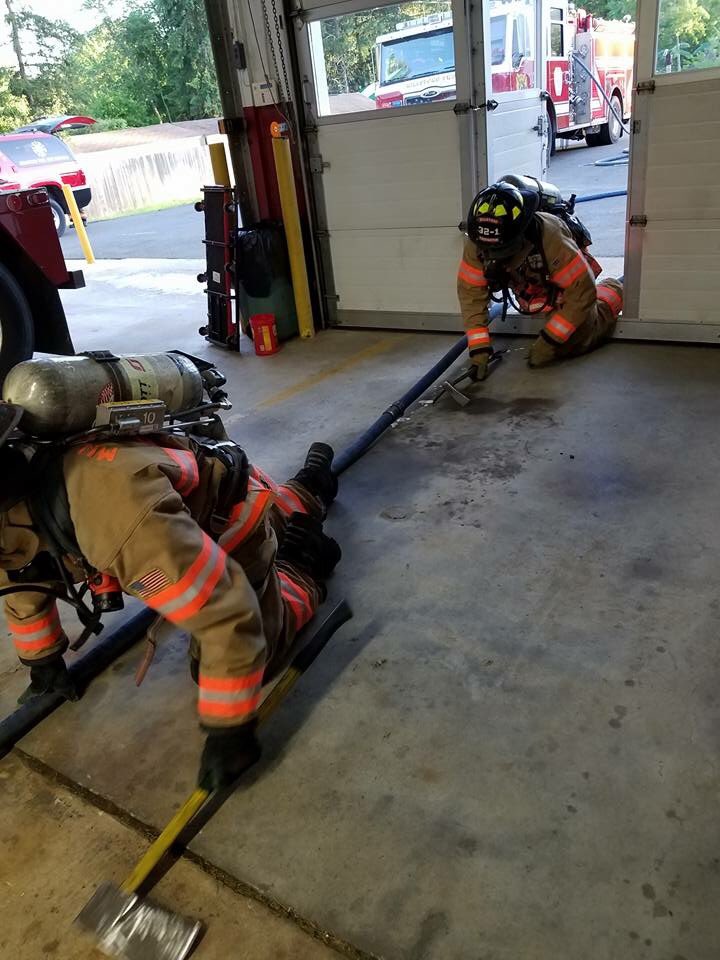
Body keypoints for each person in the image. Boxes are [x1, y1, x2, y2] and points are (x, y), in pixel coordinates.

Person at [0, 427, 340, 791]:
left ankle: (301, 564)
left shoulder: (115, 514)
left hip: (232, 522)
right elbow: (22, 578)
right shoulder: (16, 503)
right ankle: (307, 487)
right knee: (273, 505)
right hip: (204, 488)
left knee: (240, 658)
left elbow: (227, 611)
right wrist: (43, 661)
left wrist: (229, 728)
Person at [457, 174, 623, 374]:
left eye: (502, 251)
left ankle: (613, 289)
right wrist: (479, 351)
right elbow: (471, 296)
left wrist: (550, 340)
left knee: (576, 339)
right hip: (529, 280)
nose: (493, 257)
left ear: (521, 233)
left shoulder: (551, 238)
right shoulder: (479, 240)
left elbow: (582, 293)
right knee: (536, 307)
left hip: (569, 277)